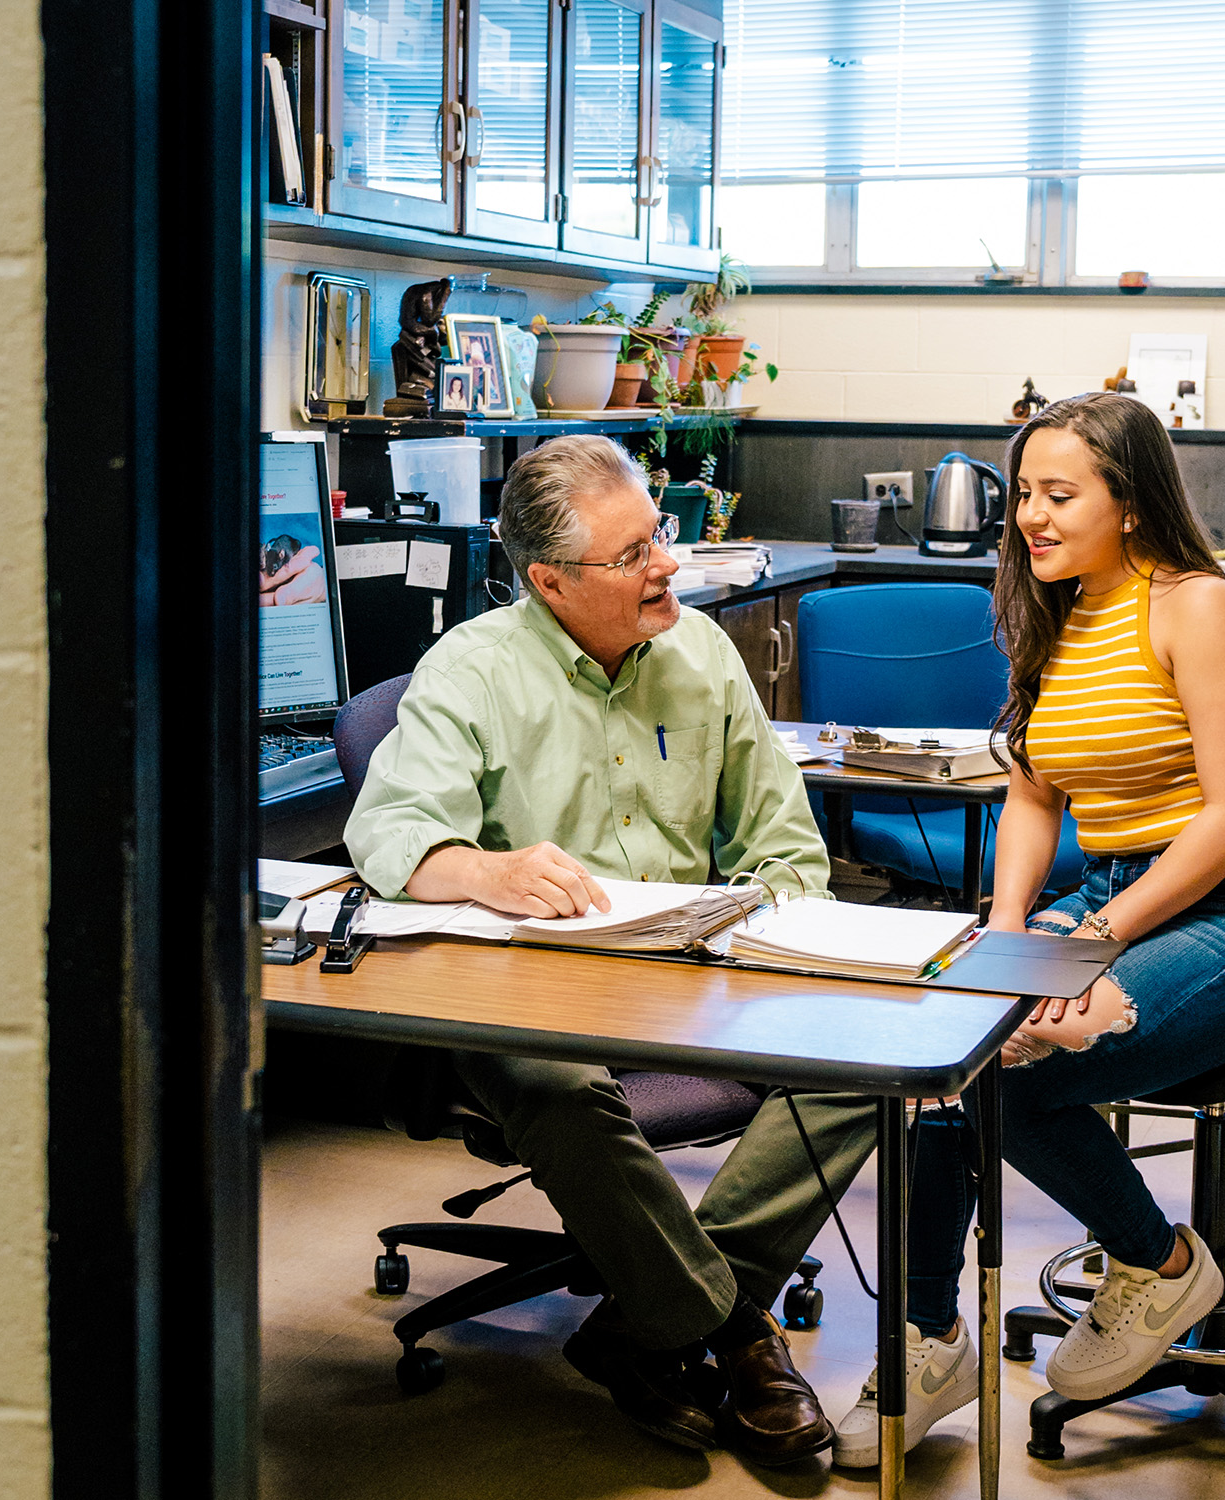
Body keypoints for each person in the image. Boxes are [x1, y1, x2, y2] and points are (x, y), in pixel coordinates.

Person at [345, 434, 871, 1465]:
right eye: (633, 554)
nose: (667, 564)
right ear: (549, 582)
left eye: (659, 537)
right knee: (556, 1086)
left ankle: (645, 1324)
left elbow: (786, 848)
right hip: (531, 990)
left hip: (692, 972)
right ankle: (734, 1334)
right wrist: (484, 869)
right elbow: (390, 835)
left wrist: (770, 934)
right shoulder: (474, 669)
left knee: (873, 1058)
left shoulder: (703, 653)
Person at [831, 393, 1225, 1467]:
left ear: (1132, 504)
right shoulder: (1056, 613)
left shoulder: (1198, 607)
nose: (1031, 521)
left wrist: (1094, 933)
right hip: (1111, 900)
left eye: (1061, 497)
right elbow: (1035, 796)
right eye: (1025, 499)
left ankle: (1154, 1261)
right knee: (953, 1051)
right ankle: (927, 1338)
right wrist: (1005, 933)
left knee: (1012, 1066)